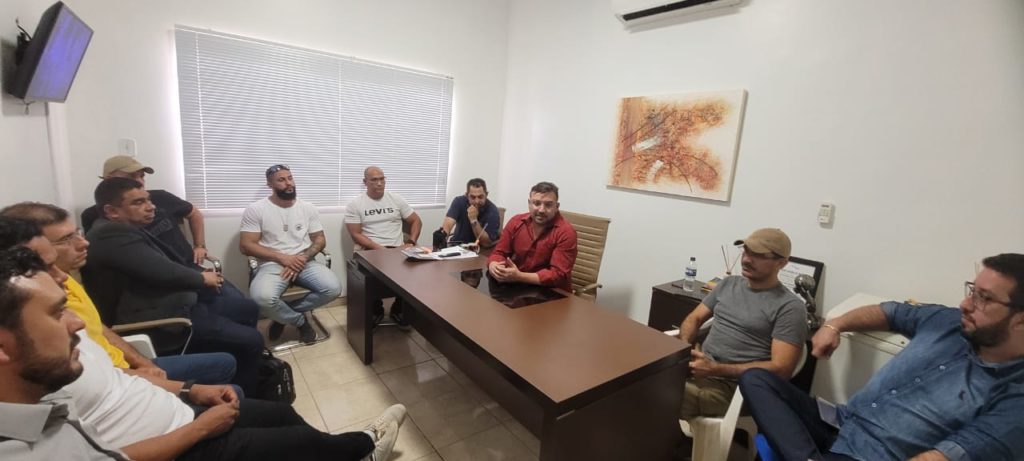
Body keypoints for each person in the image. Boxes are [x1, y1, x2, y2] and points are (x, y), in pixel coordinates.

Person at [0, 246, 404, 461]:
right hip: (182, 442)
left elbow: (118, 377)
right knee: (295, 434)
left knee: (281, 415)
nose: (75, 322)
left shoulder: (58, 362)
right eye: (57, 312)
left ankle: (332, 450)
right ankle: (364, 445)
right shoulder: (26, 443)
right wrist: (201, 428)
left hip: (178, 410)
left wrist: (189, 389)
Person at [739, 253, 1024, 461]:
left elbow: (943, 457)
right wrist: (834, 325)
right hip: (841, 420)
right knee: (756, 379)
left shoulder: (1016, 396)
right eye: (972, 291)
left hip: (870, 455)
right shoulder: (947, 321)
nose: (965, 304)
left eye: (984, 298)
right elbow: (890, 311)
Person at [2, 202, 237, 385]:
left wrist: (142, 363)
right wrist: (152, 380)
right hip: (116, 380)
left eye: (78, 233)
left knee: (232, 338)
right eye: (66, 239)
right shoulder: (38, 302)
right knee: (233, 368)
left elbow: (99, 328)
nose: (83, 243)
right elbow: (91, 378)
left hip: (128, 366)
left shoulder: (66, 277)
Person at [83, 177, 264, 395]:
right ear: (112, 211)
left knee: (247, 308)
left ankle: (246, 368)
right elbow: (162, 270)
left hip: (178, 303)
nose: (150, 206)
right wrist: (201, 279)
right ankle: (247, 396)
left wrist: (198, 274)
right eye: (138, 202)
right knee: (251, 340)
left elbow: (166, 263)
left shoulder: (129, 229)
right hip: (162, 321)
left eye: (148, 200)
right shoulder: (109, 235)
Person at [676, 229, 806, 424]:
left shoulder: (790, 307)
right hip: (699, 367)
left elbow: (782, 369)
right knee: (641, 374)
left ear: (782, 263)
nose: (746, 260)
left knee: (660, 392)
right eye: (746, 251)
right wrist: (684, 348)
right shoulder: (729, 284)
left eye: (758, 255)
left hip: (736, 388)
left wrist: (715, 369)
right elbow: (694, 318)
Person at [240, 164, 342, 343]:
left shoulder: (307, 207)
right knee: (261, 299)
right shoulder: (256, 209)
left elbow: (319, 239)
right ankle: (299, 321)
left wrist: (303, 257)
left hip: (305, 261)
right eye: (281, 180)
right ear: (270, 185)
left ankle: (283, 315)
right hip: (272, 263)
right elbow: (246, 245)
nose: (288, 183)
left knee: (333, 289)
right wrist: (283, 258)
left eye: (290, 178)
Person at [82, 155, 209, 265]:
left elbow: (194, 213)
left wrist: (200, 246)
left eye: (142, 176)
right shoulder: (94, 217)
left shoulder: (161, 197)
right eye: (131, 176)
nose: (140, 182)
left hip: (188, 265)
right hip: (151, 274)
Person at [344, 166, 423, 327]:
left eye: (382, 179)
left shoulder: (396, 199)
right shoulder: (355, 204)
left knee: (418, 272)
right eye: (374, 180)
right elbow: (356, 234)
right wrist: (380, 249)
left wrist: (411, 242)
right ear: (365, 182)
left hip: (398, 249)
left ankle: (399, 310)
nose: (379, 183)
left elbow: (416, 220)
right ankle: (376, 310)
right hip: (371, 251)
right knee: (370, 277)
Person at [487, 181, 578, 292]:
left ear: (557, 207)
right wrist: (493, 265)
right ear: (529, 203)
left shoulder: (566, 232)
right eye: (537, 203)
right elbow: (499, 253)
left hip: (553, 293)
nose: (541, 210)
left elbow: (558, 275)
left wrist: (519, 276)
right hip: (520, 288)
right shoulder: (516, 222)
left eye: (548, 205)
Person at [440, 178, 501, 248]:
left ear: (486, 195)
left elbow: (486, 243)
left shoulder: (493, 211)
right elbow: (447, 227)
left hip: (478, 250)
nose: (477, 201)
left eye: (480, 197)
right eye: (473, 197)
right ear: (467, 195)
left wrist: (474, 220)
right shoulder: (459, 202)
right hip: (456, 246)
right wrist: (441, 242)